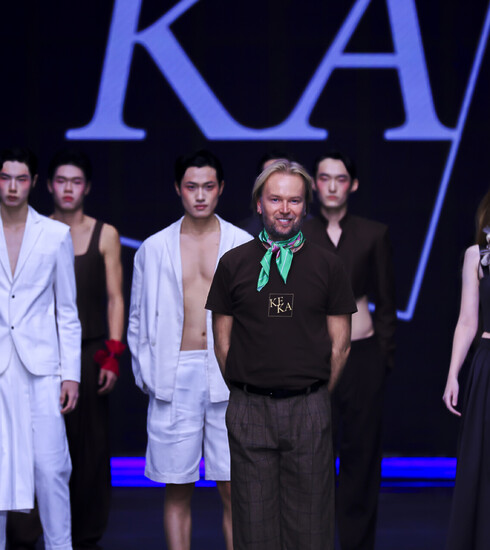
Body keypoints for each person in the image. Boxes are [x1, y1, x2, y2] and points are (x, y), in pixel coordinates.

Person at [206, 159, 357, 550]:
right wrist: (249, 390)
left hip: (309, 409)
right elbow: (222, 344)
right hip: (249, 409)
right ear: (259, 204)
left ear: (305, 206)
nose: (285, 209)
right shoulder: (233, 264)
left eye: (294, 200)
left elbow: (341, 345)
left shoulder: (329, 265)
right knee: (253, 529)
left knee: (311, 529)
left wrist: (313, 395)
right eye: (275, 199)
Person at [128, 149, 251, 550]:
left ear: (221, 189)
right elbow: (137, 319)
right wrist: (148, 374)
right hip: (174, 372)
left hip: (228, 374)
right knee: (177, 486)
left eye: (208, 186)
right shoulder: (153, 248)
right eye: (191, 186)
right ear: (177, 189)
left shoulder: (243, 244)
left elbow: (259, 316)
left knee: (233, 486)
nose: (200, 195)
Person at [7, 148, 126, 550]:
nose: (68, 189)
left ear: (87, 187)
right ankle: (25, 534)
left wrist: (111, 354)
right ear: (48, 185)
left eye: (76, 181)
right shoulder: (38, 232)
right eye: (61, 181)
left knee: (81, 451)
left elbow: (111, 298)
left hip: (83, 355)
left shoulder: (97, 233)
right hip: (26, 355)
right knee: (24, 455)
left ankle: (81, 536)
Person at [302, 150, 396, 550]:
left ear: (353, 184)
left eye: (340, 178)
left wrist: (383, 356)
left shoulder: (373, 234)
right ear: (314, 184)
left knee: (362, 456)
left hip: (362, 356)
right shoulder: (299, 234)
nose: (332, 186)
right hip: (312, 360)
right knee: (311, 456)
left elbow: (387, 301)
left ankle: (357, 545)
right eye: (324, 178)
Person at [0, 147, 81, 550]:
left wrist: (71, 375)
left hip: (42, 368)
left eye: (20, 178)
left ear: (33, 182)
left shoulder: (54, 235)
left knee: (51, 470)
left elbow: (67, 310)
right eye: (5, 178)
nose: (12, 187)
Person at [442, 189, 490, 550]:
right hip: (487, 365)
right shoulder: (478, 255)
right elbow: (467, 321)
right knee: (482, 464)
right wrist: (452, 374)